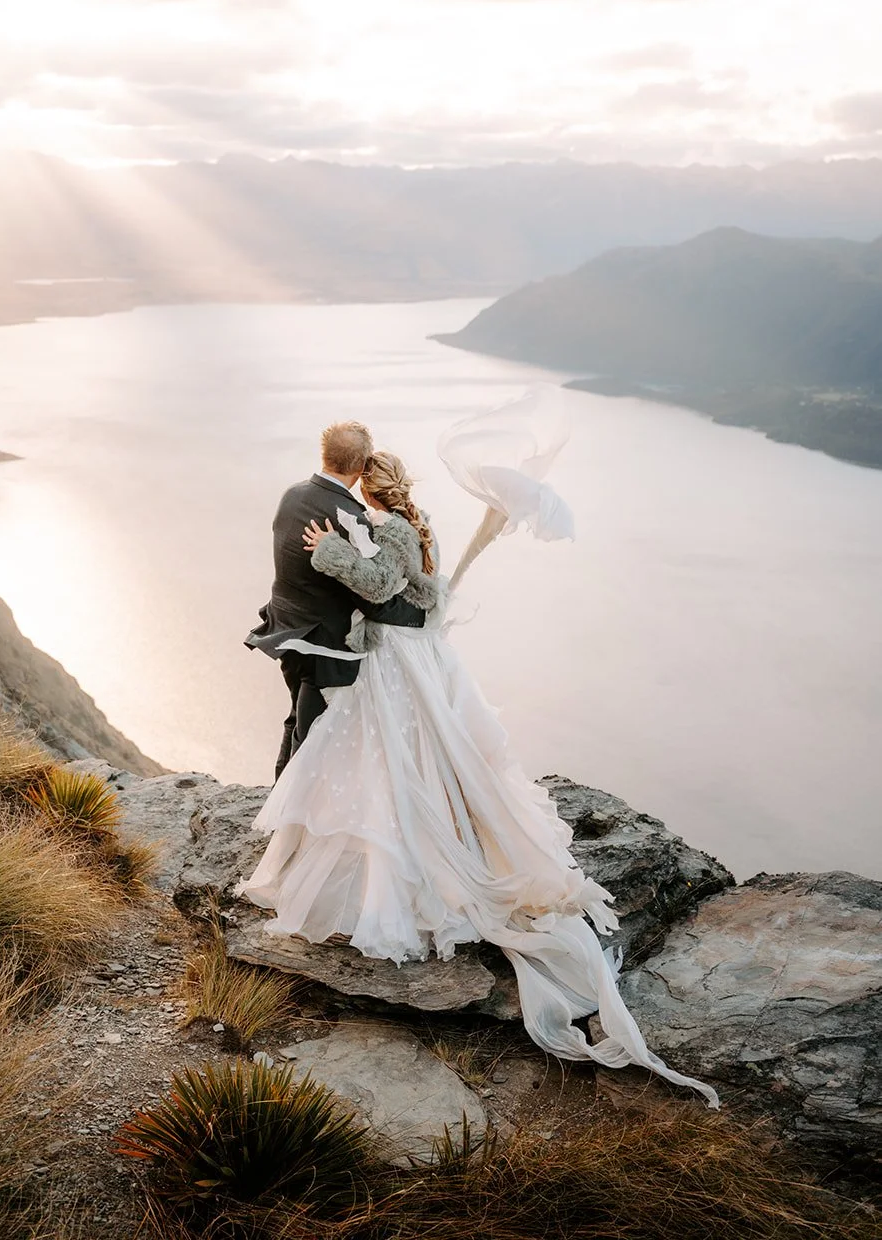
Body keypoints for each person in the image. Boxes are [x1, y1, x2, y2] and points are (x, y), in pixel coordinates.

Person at [240, 411, 719, 1107]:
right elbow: (416, 588)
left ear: (368, 485)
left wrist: (330, 553)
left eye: (366, 488)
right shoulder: (400, 523)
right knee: (397, 758)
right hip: (399, 655)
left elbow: (379, 588)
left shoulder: (392, 528)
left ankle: (415, 845)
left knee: (399, 763)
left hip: (394, 662)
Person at [245, 419, 432, 780]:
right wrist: (418, 616)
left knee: (296, 719)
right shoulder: (353, 519)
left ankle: (280, 804)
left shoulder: (293, 495)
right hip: (324, 645)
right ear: (362, 467)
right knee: (315, 734)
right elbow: (373, 598)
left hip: (285, 631)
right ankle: (290, 817)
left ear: (325, 455)